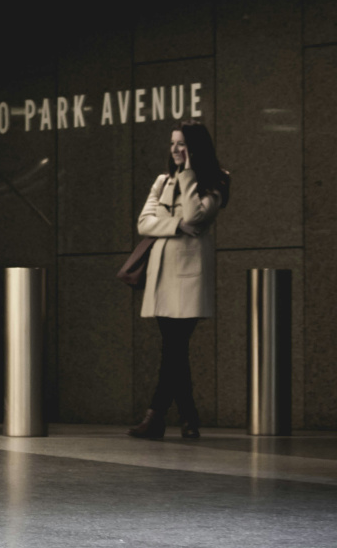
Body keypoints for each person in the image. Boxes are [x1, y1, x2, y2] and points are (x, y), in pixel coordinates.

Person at [127, 119, 229, 440]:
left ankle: (156, 415)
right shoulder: (162, 181)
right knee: (175, 350)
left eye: (182, 144)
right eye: (172, 143)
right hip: (161, 276)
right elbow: (144, 223)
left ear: (195, 147)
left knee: (174, 348)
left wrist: (187, 175)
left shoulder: (216, 182)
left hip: (188, 278)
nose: (175, 149)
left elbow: (197, 216)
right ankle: (187, 418)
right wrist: (176, 226)